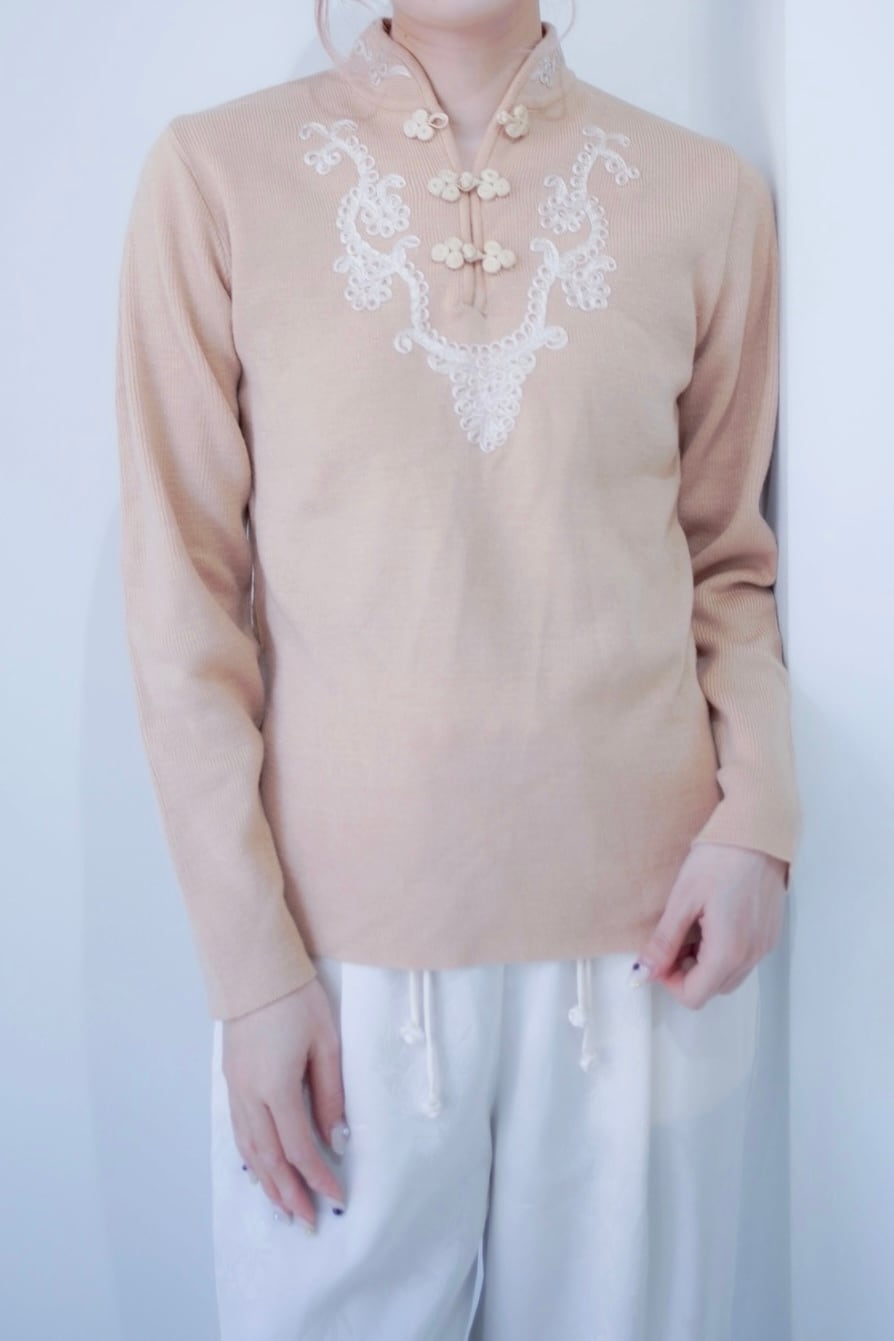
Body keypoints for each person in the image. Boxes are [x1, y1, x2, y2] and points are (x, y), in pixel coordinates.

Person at [114, 1, 803, 1337]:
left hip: (646, 947)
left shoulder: (704, 196)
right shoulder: (215, 178)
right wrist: (250, 969)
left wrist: (757, 822)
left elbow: (728, 557)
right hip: (337, 963)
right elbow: (181, 597)